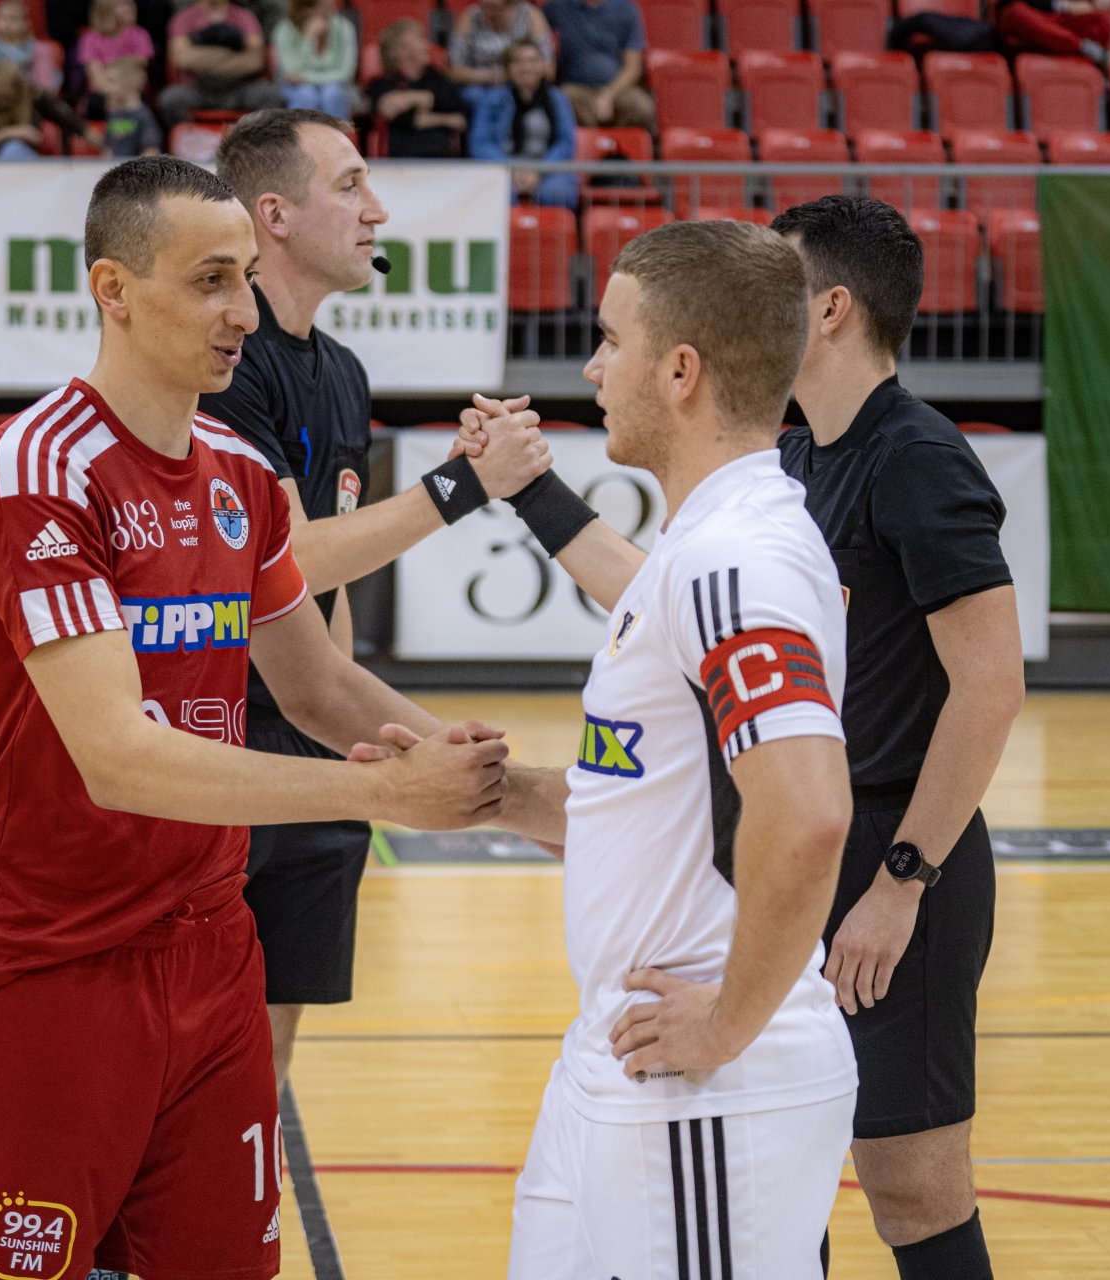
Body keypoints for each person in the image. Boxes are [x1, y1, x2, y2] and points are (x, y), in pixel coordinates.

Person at [0, 154, 515, 1280]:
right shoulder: (40, 469)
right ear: (114, 289)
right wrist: (382, 793)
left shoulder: (232, 465)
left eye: (244, 279)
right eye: (212, 281)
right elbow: (119, 756)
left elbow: (316, 686)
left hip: (214, 953)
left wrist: (502, 790)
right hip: (54, 964)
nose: (243, 311)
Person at [432, 220, 860, 1277]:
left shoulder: (735, 559)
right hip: (618, 1058)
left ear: (680, 371)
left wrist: (724, 1023)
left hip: (706, 1079)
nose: (591, 366)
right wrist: (496, 793)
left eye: (609, 340)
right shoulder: (697, 550)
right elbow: (664, 804)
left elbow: (807, 811)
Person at [199, 108, 555, 1091]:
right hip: (212, 754)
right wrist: (458, 488)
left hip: (310, 752)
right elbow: (283, 561)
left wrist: (368, 731)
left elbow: (330, 602)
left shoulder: (342, 373)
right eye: (350, 185)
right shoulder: (224, 362)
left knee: (260, 1076)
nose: (377, 209)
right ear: (273, 212)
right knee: (183, 1058)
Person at [767, 194, 1024, 1280]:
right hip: (798, 854)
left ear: (829, 308)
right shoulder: (790, 452)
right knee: (778, 1170)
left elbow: (990, 685)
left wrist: (902, 878)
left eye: (773, 283)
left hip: (897, 858)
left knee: (911, 1186)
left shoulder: (918, 456)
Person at [469, 40, 578, 209]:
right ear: (508, 69)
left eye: (533, 61)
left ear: (542, 65)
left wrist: (539, 171)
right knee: (498, 194)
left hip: (549, 169)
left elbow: (565, 143)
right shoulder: (492, 99)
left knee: (557, 193)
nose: (526, 67)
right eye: (518, 62)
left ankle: (546, 236)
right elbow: (480, 143)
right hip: (502, 168)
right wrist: (510, 169)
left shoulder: (558, 99)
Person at [159, 0, 283, 129]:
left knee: (270, 96)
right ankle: (191, 141)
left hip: (238, 89)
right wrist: (234, 54)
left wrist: (199, 56)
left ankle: (253, 141)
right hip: (198, 89)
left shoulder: (246, 17)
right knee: (170, 99)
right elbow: (181, 59)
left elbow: (255, 61)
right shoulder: (183, 18)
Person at [544, 0, 653, 129]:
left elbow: (633, 67)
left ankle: (614, 141)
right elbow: (534, 23)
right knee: (560, 100)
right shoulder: (558, 6)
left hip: (618, 89)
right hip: (576, 89)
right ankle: (594, 140)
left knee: (642, 106)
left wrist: (608, 95)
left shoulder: (627, 10)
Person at [367, 20, 466, 159]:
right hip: (398, 165)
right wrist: (445, 119)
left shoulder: (439, 79)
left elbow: (460, 119)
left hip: (443, 163)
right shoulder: (382, 83)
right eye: (420, 39)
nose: (427, 46)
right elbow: (393, 114)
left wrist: (412, 100)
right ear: (400, 50)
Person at [0, 56, 99, 159]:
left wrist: (108, 145)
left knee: (13, 150)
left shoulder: (34, 97)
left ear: (17, 89)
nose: (2, 102)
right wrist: (13, 132)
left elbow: (70, 121)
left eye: (6, 97)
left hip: (29, 168)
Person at [447, 0, 555, 111]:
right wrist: (496, 76)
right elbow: (454, 72)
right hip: (480, 86)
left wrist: (520, 75)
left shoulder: (531, 16)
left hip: (525, 84)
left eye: (497, 8)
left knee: (553, 97)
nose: (489, 13)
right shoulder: (470, 17)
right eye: (485, 7)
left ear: (513, 4)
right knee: (482, 97)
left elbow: (548, 70)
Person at [271, 0, 358, 120]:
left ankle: (337, 137)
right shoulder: (284, 30)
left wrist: (306, 77)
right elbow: (291, 74)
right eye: (323, 6)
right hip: (295, 88)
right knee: (306, 95)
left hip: (338, 86)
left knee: (332, 93)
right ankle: (298, 138)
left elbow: (346, 74)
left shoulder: (344, 27)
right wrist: (308, 39)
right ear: (304, 9)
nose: (330, 8)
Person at [77, 0, 156, 105]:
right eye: (123, 4)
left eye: (131, 3)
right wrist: (113, 92)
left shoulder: (139, 34)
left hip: (133, 93)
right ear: (105, 9)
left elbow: (137, 71)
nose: (130, 7)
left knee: (130, 103)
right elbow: (97, 78)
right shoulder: (91, 39)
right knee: (98, 102)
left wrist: (121, 93)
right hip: (103, 94)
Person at [995, 0, 1110, 68]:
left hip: (1054, 21)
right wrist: (1063, 6)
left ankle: (1061, 45)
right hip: (1028, 20)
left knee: (1101, 22)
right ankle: (1082, 47)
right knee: (1016, 13)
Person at [99, 60, 163, 157]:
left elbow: (151, 151)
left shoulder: (143, 116)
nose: (108, 88)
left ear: (130, 83)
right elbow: (108, 149)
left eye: (112, 82)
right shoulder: (114, 114)